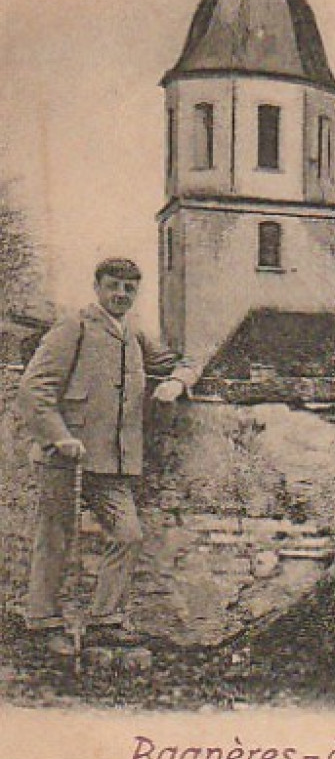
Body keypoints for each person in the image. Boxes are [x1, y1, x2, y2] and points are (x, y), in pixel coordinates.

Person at [17, 258, 193, 655]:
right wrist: (59, 437)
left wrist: (178, 382)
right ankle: (43, 622)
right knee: (56, 538)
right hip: (65, 456)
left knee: (129, 536)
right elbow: (34, 388)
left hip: (113, 464)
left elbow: (181, 361)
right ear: (97, 286)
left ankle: (104, 620)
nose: (121, 295)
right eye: (113, 286)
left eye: (129, 289)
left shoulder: (134, 335)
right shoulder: (73, 326)